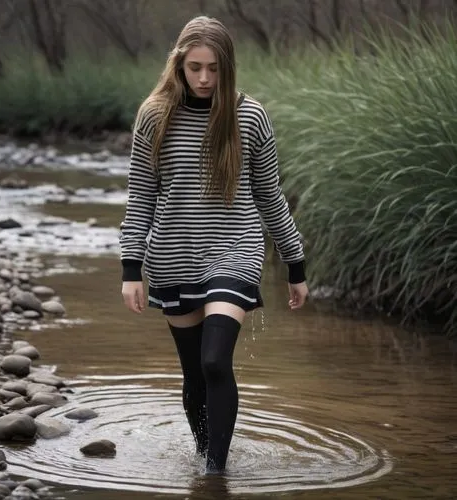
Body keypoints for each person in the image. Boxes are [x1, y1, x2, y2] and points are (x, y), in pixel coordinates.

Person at [119, 15, 308, 475]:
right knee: (194, 374)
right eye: (195, 67)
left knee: (214, 360)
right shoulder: (154, 115)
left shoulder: (250, 116)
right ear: (179, 66)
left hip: (235, 250)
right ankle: (206, 459)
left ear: (229, 66)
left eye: (215, 68)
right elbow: (141, 193)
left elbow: (268, 194)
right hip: (172, 257)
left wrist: (295, 262)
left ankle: (215, 475)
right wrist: (130, 268)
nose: (205, 78)